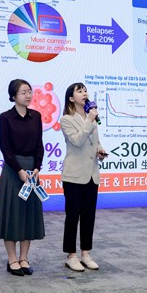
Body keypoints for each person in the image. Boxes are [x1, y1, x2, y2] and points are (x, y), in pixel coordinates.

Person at [0, 79, 45, 276]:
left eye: (30, 91)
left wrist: (37, 167)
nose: (28, 95)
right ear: (13, 96)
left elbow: (39, 144)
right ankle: (12, 259)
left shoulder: (36, 116)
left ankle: (24, 258)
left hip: (32, 171)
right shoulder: (6, 117)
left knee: (28, 215)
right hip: (13, 171)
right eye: (23, 92)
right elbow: (5, 148)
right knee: (11, 214)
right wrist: (19, 170)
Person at [59, 82, 108, 272]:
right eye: (79, 91)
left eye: (85, 90)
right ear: (71, 98)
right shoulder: (66, 119)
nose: (84, 93)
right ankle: (71, 256)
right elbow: (77, 141)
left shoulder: (91, 118)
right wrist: (89, 120)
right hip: (74, 176)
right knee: (73, 216)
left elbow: (95, 142)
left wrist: (100, 150)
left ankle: (85, 254)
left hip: (92, 175)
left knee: (89, 216)